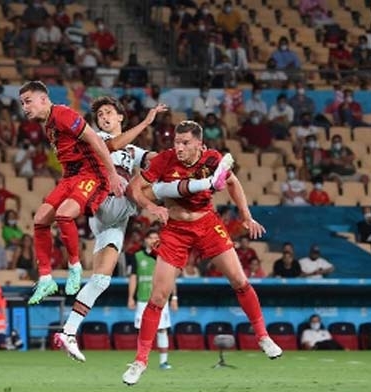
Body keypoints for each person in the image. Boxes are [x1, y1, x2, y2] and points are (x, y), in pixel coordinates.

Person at [54, 97, 231, 362]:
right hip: (103, 200)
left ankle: (68, 331)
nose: (104, 117)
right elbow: (114, 146)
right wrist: (147, 122)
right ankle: (206, 184)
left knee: (101, 280)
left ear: (120, 117)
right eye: (100, 113)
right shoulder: (95, 137)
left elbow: (156, 158)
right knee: (141, 187)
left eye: (109, 113)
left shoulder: (133, 151)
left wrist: (192, 157)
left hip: (114, 220)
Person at [122, 120, 282, 386]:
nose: (179, 147)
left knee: (240, 281)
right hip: (175, 230)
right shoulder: (164, 160)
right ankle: (140, 362)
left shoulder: (211, 159)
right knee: (158, 296)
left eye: (185, 143)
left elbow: (232, 182)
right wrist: (152, 207)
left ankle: (263, 336)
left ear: (199, 143)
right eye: (176, 142)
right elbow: (133, 188)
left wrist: (246, 216)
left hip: (207, 224)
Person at [18, 81, 125, 304]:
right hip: (70, 177)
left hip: (91, 174)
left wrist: (113, 174)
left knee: (64, 214)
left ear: (44, 99)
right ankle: (46, 279)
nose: (25, 107)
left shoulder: (63, 114)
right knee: (39, 220)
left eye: (28, 101)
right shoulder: (47, 123)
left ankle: (75, 267)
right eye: (22, 103)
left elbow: (95, 139)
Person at [129, 230, 177, 369]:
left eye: (157, 237)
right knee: (142, 331)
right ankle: (141, 361)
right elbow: (133, 278)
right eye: (151, 237)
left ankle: (164, 362)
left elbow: (171, 278)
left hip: (161, 299)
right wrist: (130, 297)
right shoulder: (137, 256)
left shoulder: (166, 256)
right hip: (143, 299)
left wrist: (174, 297)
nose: (154, 240)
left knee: (162, 330)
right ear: (145, 240)